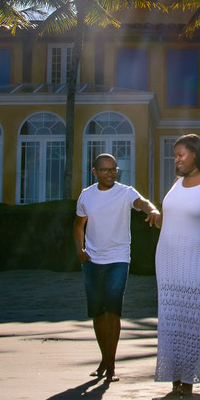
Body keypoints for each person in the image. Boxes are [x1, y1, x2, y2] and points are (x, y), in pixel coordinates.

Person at [152, 134, 200, 396]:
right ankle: (174, 375)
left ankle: (188, 377)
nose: (176, 160)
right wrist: (157, 218)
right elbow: (172, 217)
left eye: (180, 155)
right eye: (175, 155)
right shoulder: (176, 183)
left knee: (193, 317)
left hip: (198, 260)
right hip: (168, 260)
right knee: (171, 318)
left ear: (195, 154)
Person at [74, 153, 160, 382]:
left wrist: (151, 209)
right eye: (105, 170)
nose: (111, 173)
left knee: (113, 309)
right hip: (92, 260)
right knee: (97, 312)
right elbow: (78, 225)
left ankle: (111, 364)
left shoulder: (125, 192)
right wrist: (80, 250)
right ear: (94, 172)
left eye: (114, 169)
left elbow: (141, 202)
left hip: (118, 260)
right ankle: (105, 358)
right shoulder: (86, 195)